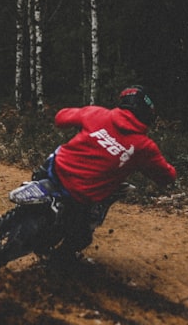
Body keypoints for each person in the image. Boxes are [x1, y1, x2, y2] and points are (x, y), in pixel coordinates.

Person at [37, 85, 177, 259]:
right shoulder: (144, 147)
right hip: (80, 195)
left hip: (54, 170)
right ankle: (55, 264)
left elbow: (60, 118)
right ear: (147, 115)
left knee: (55, 155)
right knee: (81, 238)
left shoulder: (96, 113)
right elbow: (167, 176)